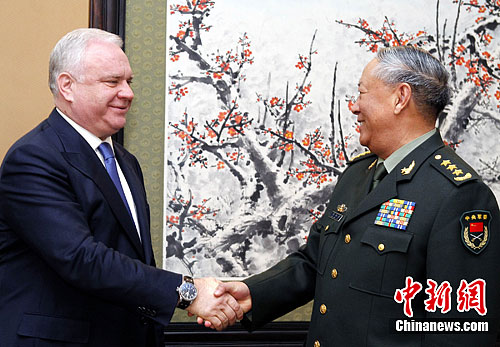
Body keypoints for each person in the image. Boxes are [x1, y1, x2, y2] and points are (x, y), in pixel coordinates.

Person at [213, 46, 500, 346]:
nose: (354, 106)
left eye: (362, 93)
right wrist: (252, 294)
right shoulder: (358, 173)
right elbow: (315, 261)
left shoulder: (459, 196)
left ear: (400, 98)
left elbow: (462, 334)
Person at [0, 28, 242, 347]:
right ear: (67, 86)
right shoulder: (33, 158)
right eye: (112, 82)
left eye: (129, 82)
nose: (127, 93)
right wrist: (188, 293)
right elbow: (81, 258)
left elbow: (133, 259)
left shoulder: (125, 162)